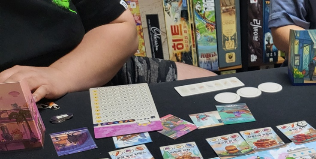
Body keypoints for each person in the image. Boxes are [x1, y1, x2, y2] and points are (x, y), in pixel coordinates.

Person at [0, 0, 214, 102]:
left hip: (104, 70)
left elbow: (121, 28)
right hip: (23, 108)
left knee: (219, 92)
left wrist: (59, 74)